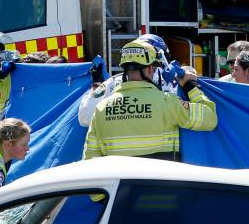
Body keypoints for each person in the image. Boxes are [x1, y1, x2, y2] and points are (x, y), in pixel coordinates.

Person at [82, 40, 216, 160]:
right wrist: (190, 86)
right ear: (151, 69)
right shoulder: (167, 102)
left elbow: (90, 160)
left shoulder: (100, 109)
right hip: (160, 184)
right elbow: (209, 118)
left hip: (119, 187)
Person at [78, 33, 179, 126]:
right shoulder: (172, 84)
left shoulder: (112, 83)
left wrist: (97, 83)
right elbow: (187, 115)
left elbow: (85, 118)